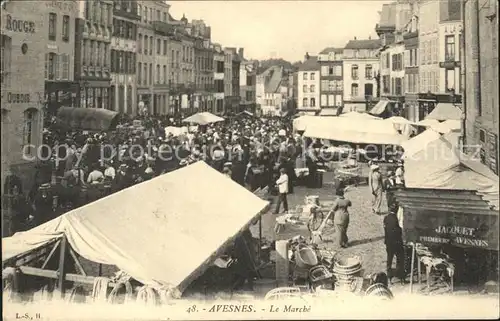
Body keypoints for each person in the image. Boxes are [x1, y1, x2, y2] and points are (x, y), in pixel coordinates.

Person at [383, 211, 405, 284]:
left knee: (389, 259)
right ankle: (401, 277)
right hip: (397, 243)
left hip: (389, 243)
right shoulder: (396, 218)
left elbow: (385, 230)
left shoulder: (385, 218)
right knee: (400, 259)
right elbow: (399, 230)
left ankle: (389, 277)